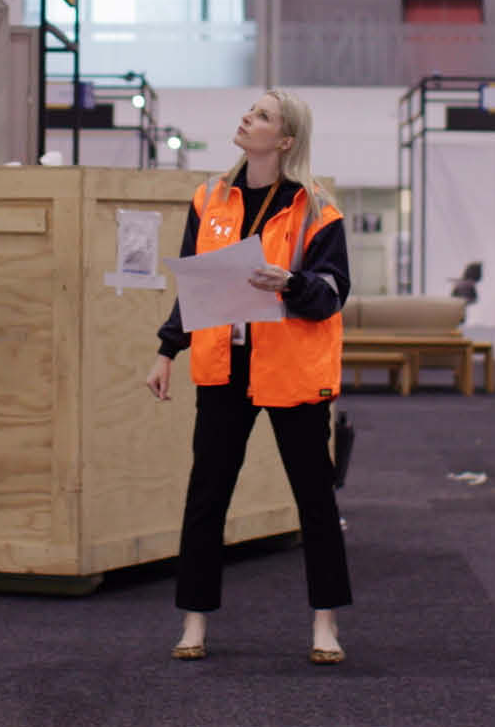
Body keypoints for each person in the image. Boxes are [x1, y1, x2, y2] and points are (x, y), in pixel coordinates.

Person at [144, 90, 353, 665]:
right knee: (206, 497)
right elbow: (197, 285)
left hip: (291, 368)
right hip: (223, 366)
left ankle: (326, 624)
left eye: (262, 116)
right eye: (250, 112)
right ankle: (193, 623)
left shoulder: (318, 210)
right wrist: (167, 350)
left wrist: (288, 282)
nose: (247, 119)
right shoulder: (209, 196)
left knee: (314, 499)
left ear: (285, 140)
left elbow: (332, 295)